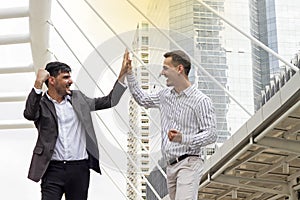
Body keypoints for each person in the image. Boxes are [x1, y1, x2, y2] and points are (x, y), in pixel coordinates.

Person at [121, 49, 217, 200]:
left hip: (189, 163)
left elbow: (211, 134)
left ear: (179, 69)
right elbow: (142, 99)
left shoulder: (201, 101)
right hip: (170, 167)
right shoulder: (165, 96)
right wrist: (130, 73)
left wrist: (183, 138)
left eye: (166, 68)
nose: (162, 72)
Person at [23, 61, 127, 200]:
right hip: (52, 169)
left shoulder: (78, 99)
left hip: (79, 169)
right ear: (52, 80)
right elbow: (30, 114)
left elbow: (109, 101)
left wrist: (123, 74)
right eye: (65, 77)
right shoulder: (41, 104)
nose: (70, 81)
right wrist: (38, 83)